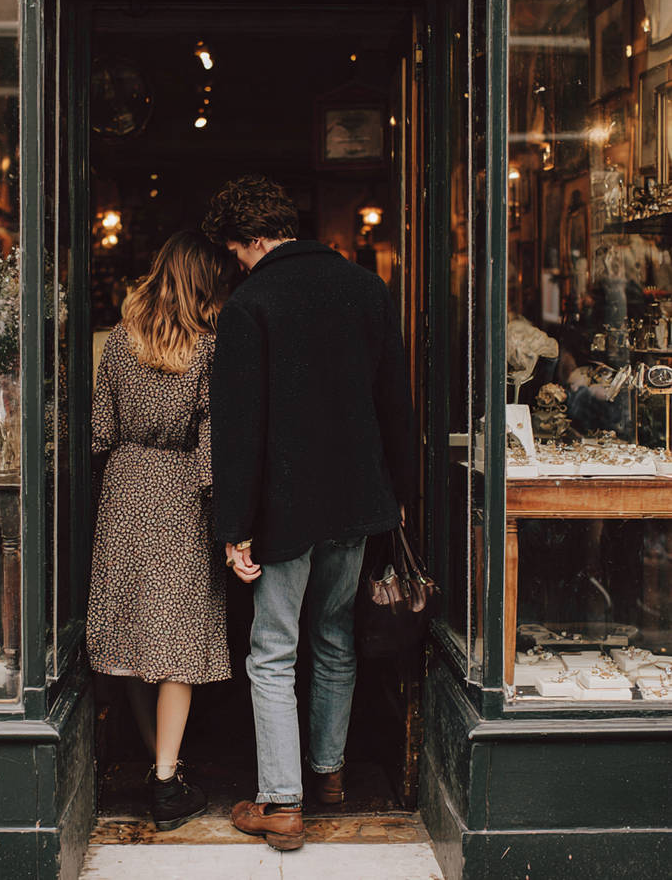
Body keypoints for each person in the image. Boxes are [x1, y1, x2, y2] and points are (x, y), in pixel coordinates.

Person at [203, 176, 414, 852]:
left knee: (271, 652)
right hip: (356, 504)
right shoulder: (367, 290)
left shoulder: (251, 304)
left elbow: (239, 432)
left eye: (237, 252)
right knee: (333, 637)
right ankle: (327, 774)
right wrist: (399, 495)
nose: (238, 264)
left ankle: (283, 803)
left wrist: (233, 527)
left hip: (284, 511)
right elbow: (395, 408)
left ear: (257, 240)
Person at [87, 230, 236, 831]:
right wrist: (225, 512)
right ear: (205, 282)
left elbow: (99, 429)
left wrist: (125, 460)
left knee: (130, 634)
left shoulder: (119, 342)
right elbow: (210, 446)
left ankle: (159, 762)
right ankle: (167, 780)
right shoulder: (208, 349)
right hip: (177, 492)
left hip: (124, 486)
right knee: (176, 641)